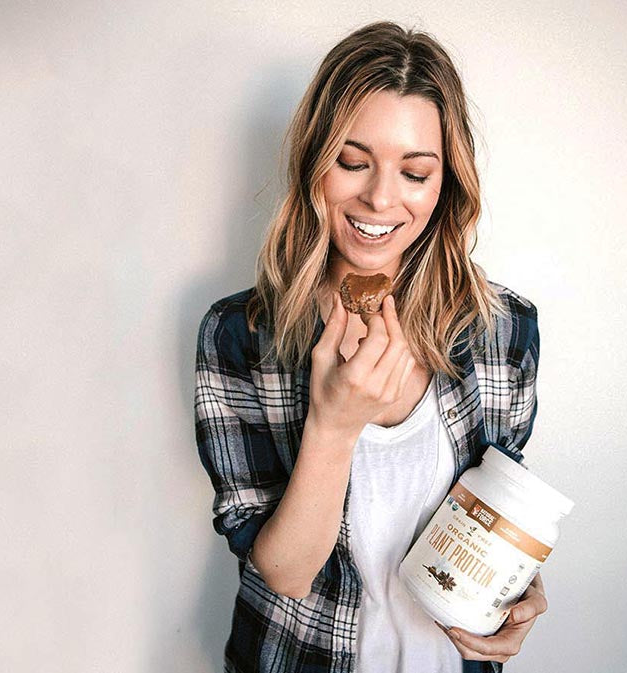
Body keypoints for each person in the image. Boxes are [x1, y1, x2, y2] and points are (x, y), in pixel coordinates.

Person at [195, 21, 546, 673]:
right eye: (352, 162)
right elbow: (287, 573)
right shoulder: (238, 337)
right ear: (313, 162)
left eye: (415, 172)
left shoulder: (504, 330)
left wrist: (516, 594)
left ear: (446, 186)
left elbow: (491, 520)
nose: (380, 197)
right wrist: (333, 425)